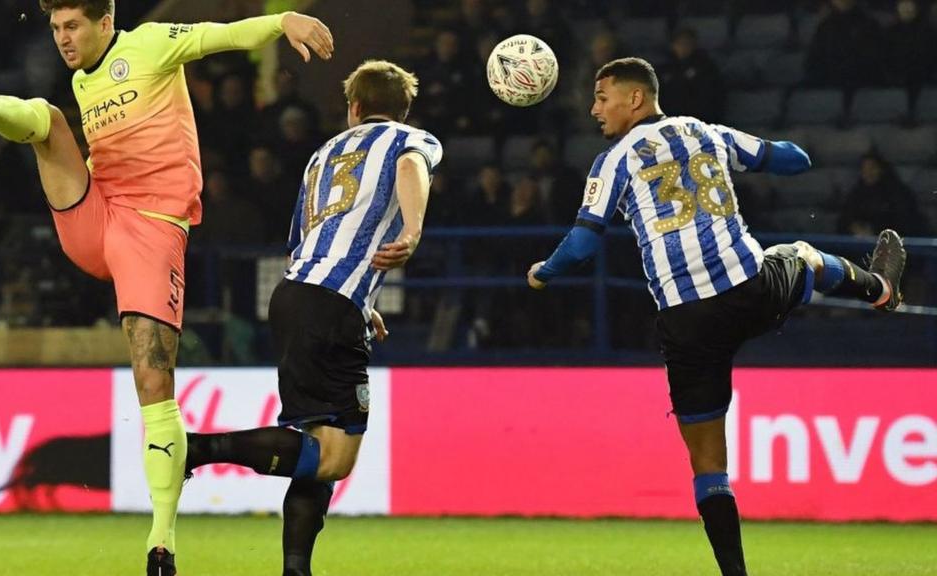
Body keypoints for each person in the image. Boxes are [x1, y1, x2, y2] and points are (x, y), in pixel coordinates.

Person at [0, 2, 333, 574]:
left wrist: (283, 22)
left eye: (72, 26)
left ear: (106, 21)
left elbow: (219, 35)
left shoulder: (150, 45)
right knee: (50, 121)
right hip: (94, 221)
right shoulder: (82, 81)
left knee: (154, 383)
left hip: (149, 230)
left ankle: (161, 543)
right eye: (54, 29)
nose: (62, 39)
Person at [526, 58, 906, 576]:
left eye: (601, 96)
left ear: (635, 99)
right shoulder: (706, 132)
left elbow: (582, 245)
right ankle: (880, 289)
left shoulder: (613, 162)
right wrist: (769, 155)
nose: (594, 109)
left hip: (687, 323)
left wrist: (542, 273)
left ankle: (736, 575)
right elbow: (795, 160)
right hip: (748, 289)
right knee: (804, 255)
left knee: (708, 467)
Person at [183, 60, 442, 576]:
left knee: (313, 447)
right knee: (334, 459)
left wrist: (359, 303)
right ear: (401, 110)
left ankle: (296, 568)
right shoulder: (411, 138)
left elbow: (304, 239)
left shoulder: (320, 156)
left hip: (296, 293)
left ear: (353, 109)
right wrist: (411, 232)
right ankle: (198, 448)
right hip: (329, 304)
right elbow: (410, 166)